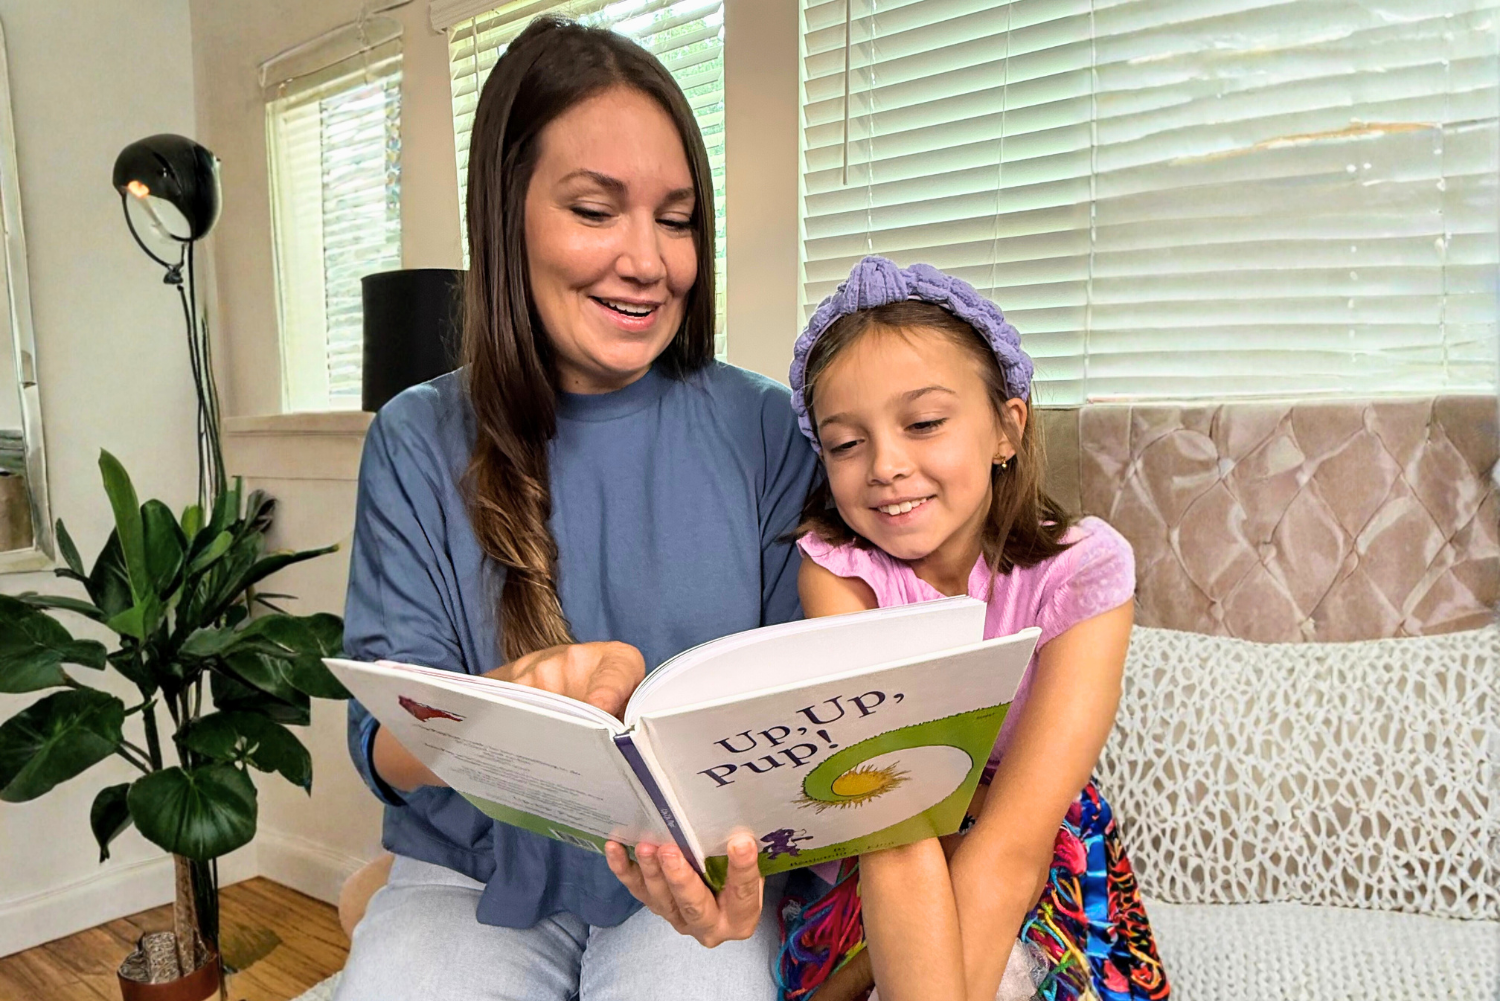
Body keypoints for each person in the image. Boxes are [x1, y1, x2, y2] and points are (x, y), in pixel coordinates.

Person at [333, 18, 816, 1001]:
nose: (648, 260)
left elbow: (800, 725)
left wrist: (745, 878)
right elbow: (380, 740)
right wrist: (508, 702)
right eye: (597, 210)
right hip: (464, 875)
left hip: (697, 873)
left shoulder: (771, 427)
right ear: (505, 218)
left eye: (676, 219)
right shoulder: (416, 437)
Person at [613, 257, 1171, 1001]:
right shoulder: (839, 571)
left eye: (925, 423)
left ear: (1007, 426)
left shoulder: (1084, 571)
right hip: (884, 845)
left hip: (1028, 843)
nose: (885, 465)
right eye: (846, 444)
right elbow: (893, 825)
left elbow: (1012, 848)